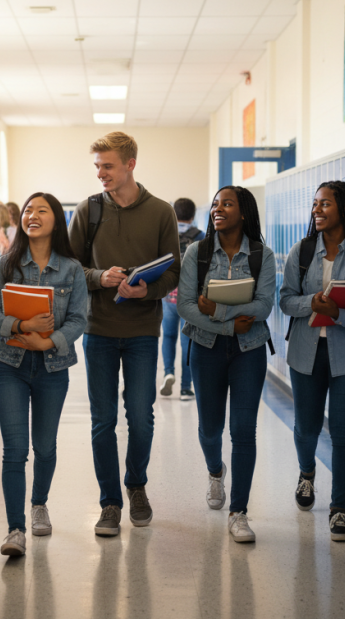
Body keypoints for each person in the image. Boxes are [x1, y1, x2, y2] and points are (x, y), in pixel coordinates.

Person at [68, 131, 181, 537]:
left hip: (142, 332)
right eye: (97, 166)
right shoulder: (88, 210)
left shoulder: (161, 212)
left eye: (108, 166)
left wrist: (146, 289)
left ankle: (136, 484)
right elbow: (70, 269)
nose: (101, 174)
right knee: (103, 422)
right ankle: (109, 502)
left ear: (131, 163)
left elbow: (174, 272)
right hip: (99, 331)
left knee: (142, 418)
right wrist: (101, 276)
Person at [279, 180, 345, 543]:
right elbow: (285, 300)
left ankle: (339, 510)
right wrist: (313, 304)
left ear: (344, 208)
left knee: (343, 432)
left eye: (324, 204)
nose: (317, 210)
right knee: (307, 428)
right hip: (306, 352)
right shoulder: (302, 251)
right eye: (315, 204)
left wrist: (338, 312)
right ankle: (306, 473)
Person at [0, 192, 88, 557]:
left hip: (52, 368)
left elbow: (79, 319)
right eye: (28, 210)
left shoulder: (71, 269)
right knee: (14, 450)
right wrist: (22, 324)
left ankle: (39, 502)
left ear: (56, 220)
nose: (32, 215)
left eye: (42, 210)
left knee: (44, 446)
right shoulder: (7, 263)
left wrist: (50, 342)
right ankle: (15, 529)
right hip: (10, 366)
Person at [177, 186, 275, 543]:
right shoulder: (196, 253)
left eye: (227, 204)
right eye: (216, 204)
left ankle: (239, 512)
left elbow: (264, 307)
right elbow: (187, 306)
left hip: (250, 350)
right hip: (206, 348)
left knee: (243, 430)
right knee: (210, 429)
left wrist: (217, 311)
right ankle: (215, 471)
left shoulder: (263, 256)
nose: (218, 209)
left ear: (244, 212)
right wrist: (228, 322)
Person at [161, 197, 205, 400]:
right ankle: (186, 388)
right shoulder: (201, 237)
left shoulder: (165, 235)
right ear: (193, 215)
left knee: (168, 336)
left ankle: (168, 372)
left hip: (168, 295)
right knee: (187, 340)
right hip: (191, 298)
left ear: (173, 213)